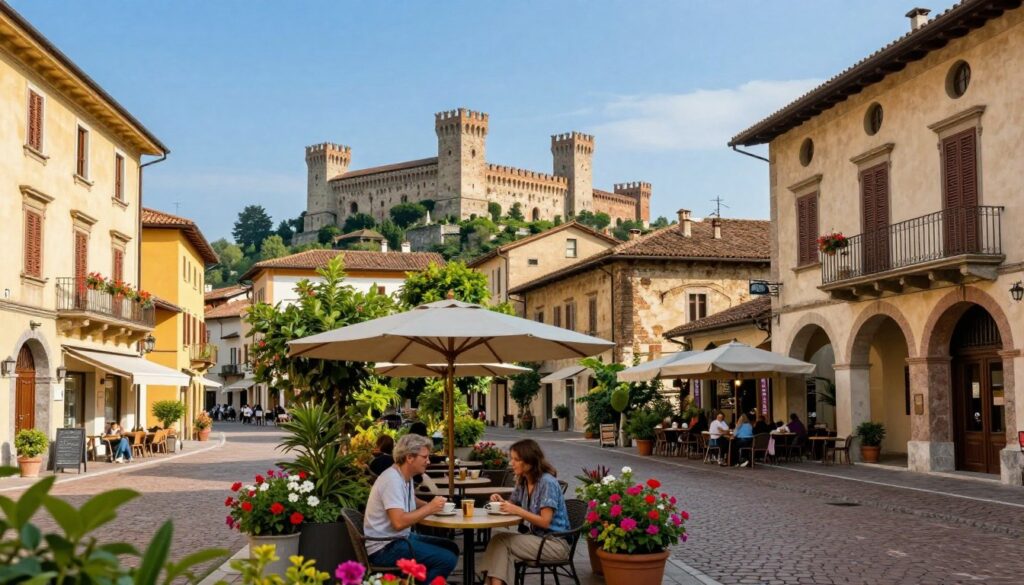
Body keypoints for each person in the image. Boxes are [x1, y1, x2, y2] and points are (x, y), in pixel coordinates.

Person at [364, 434, 458, 583]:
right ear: (409, 457)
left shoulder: (404, 477)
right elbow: (399, 522)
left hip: (398, 539)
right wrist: (430, 508)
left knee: (451, 547)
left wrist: (433, 506)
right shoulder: (392, 480)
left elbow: (411, 500)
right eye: (425, 457)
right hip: (385, 548)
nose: (428, 461)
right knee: (446, 559)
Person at [481, 439, 570, 585]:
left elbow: (545, 521)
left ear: (530, 461)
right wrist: (500, 502)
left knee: (502, 542)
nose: (511, 463)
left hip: (554, 544)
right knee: (498, 543)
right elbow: (512, 504)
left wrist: (519, 511)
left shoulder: (546, 483)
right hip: (536, 539)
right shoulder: (523, 481)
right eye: (512, 459)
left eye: (516, 459)